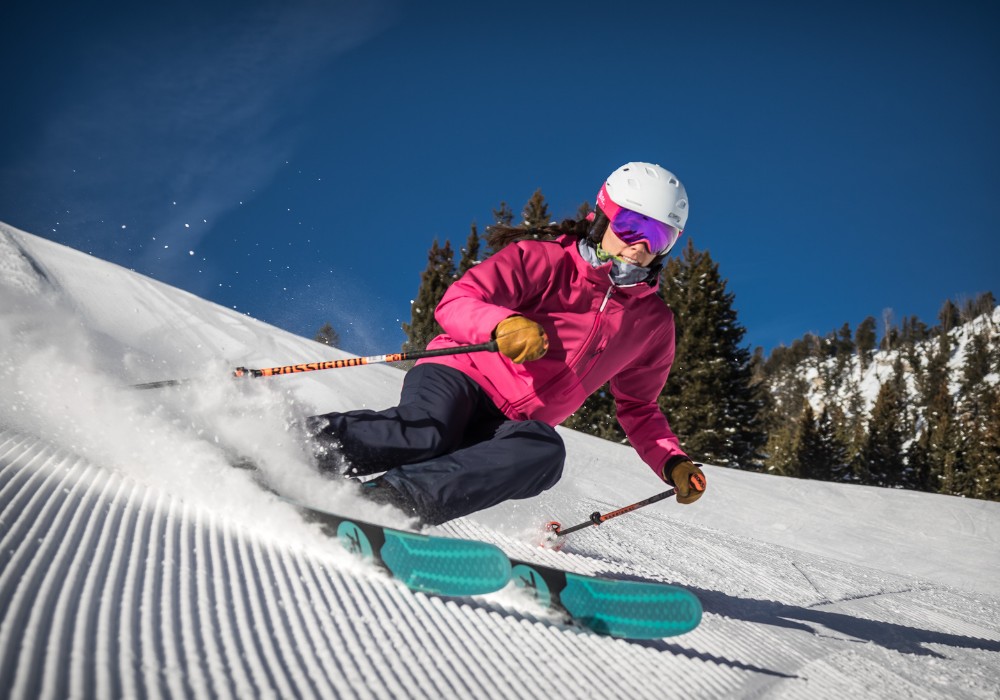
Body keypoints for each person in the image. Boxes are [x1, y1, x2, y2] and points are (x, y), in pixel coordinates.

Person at [308, 161, 705, 525]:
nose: (640, 245)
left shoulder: (652, 323)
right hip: (461, 376)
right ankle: (301, 446)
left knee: (543, 452)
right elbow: (458, 301)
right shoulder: (546, 260)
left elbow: (638, 406)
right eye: (632, 225)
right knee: (431, 432)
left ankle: (389, 504)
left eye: (658, 236)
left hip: (512, 424)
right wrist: (502, 325)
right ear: (602, 217)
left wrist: (672, 461)